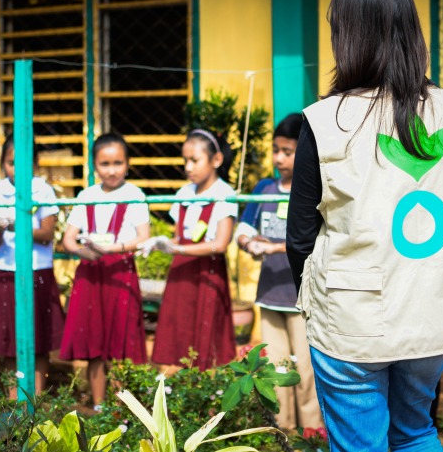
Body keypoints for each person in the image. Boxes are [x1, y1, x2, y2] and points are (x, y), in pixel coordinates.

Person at [285, 0, 443, 452]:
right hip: (430, 309)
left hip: (351, 316)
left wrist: (316, 301)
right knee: (416, 432)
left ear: (345, 36)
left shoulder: (325, 120)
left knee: (360, 444)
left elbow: (299, 237)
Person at [235, 113, 323, 430]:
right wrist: (247, 242)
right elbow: (243, 229)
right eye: (276, 150)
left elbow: (315, 241)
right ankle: (283, 433)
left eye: (287, 151)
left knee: (308, 371)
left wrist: (271, 247)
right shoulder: (264, 188)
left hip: (302, 298)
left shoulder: (314, 190)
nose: (279, 158)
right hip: (270, 295)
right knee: (279, 367)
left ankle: (312, 434)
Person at [59, 133, 149, 410]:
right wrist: (82, 250)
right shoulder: (87, 195)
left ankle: (121, 409)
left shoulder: (134, 194)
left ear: (128, 163)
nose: (111, 170)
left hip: (120, 273)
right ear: (94, 165)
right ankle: (99, 406)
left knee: (120, 343)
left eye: (118, 163)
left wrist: (114, 248)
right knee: (94, 341)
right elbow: (68, 238)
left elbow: (143, 238)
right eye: (105, 163)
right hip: (90, 273)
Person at [0, 136, 64, 396]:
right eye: (12, 163)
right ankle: (16, 401)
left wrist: (18, 225)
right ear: (3, 164)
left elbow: (47, 233)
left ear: (35, 163)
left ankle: (35, 399)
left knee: (39, 338)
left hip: (38, 269)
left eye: (24, 163)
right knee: (9, 339)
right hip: (6, 269)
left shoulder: (42, 189)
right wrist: (1, 226)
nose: (17, 169)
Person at [142, 128, 236, 371]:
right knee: (179, 331)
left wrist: (177, 249)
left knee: (206, 334)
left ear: (216, 160)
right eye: (185, 160)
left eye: (195, 160)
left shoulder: (224, 194)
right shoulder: (184, 193)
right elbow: (177, 236)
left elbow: (221, 244)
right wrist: (165, 243)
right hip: (181, 273)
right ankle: (179, 393)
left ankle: (206, 396)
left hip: (208, 274)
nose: (188, 167)